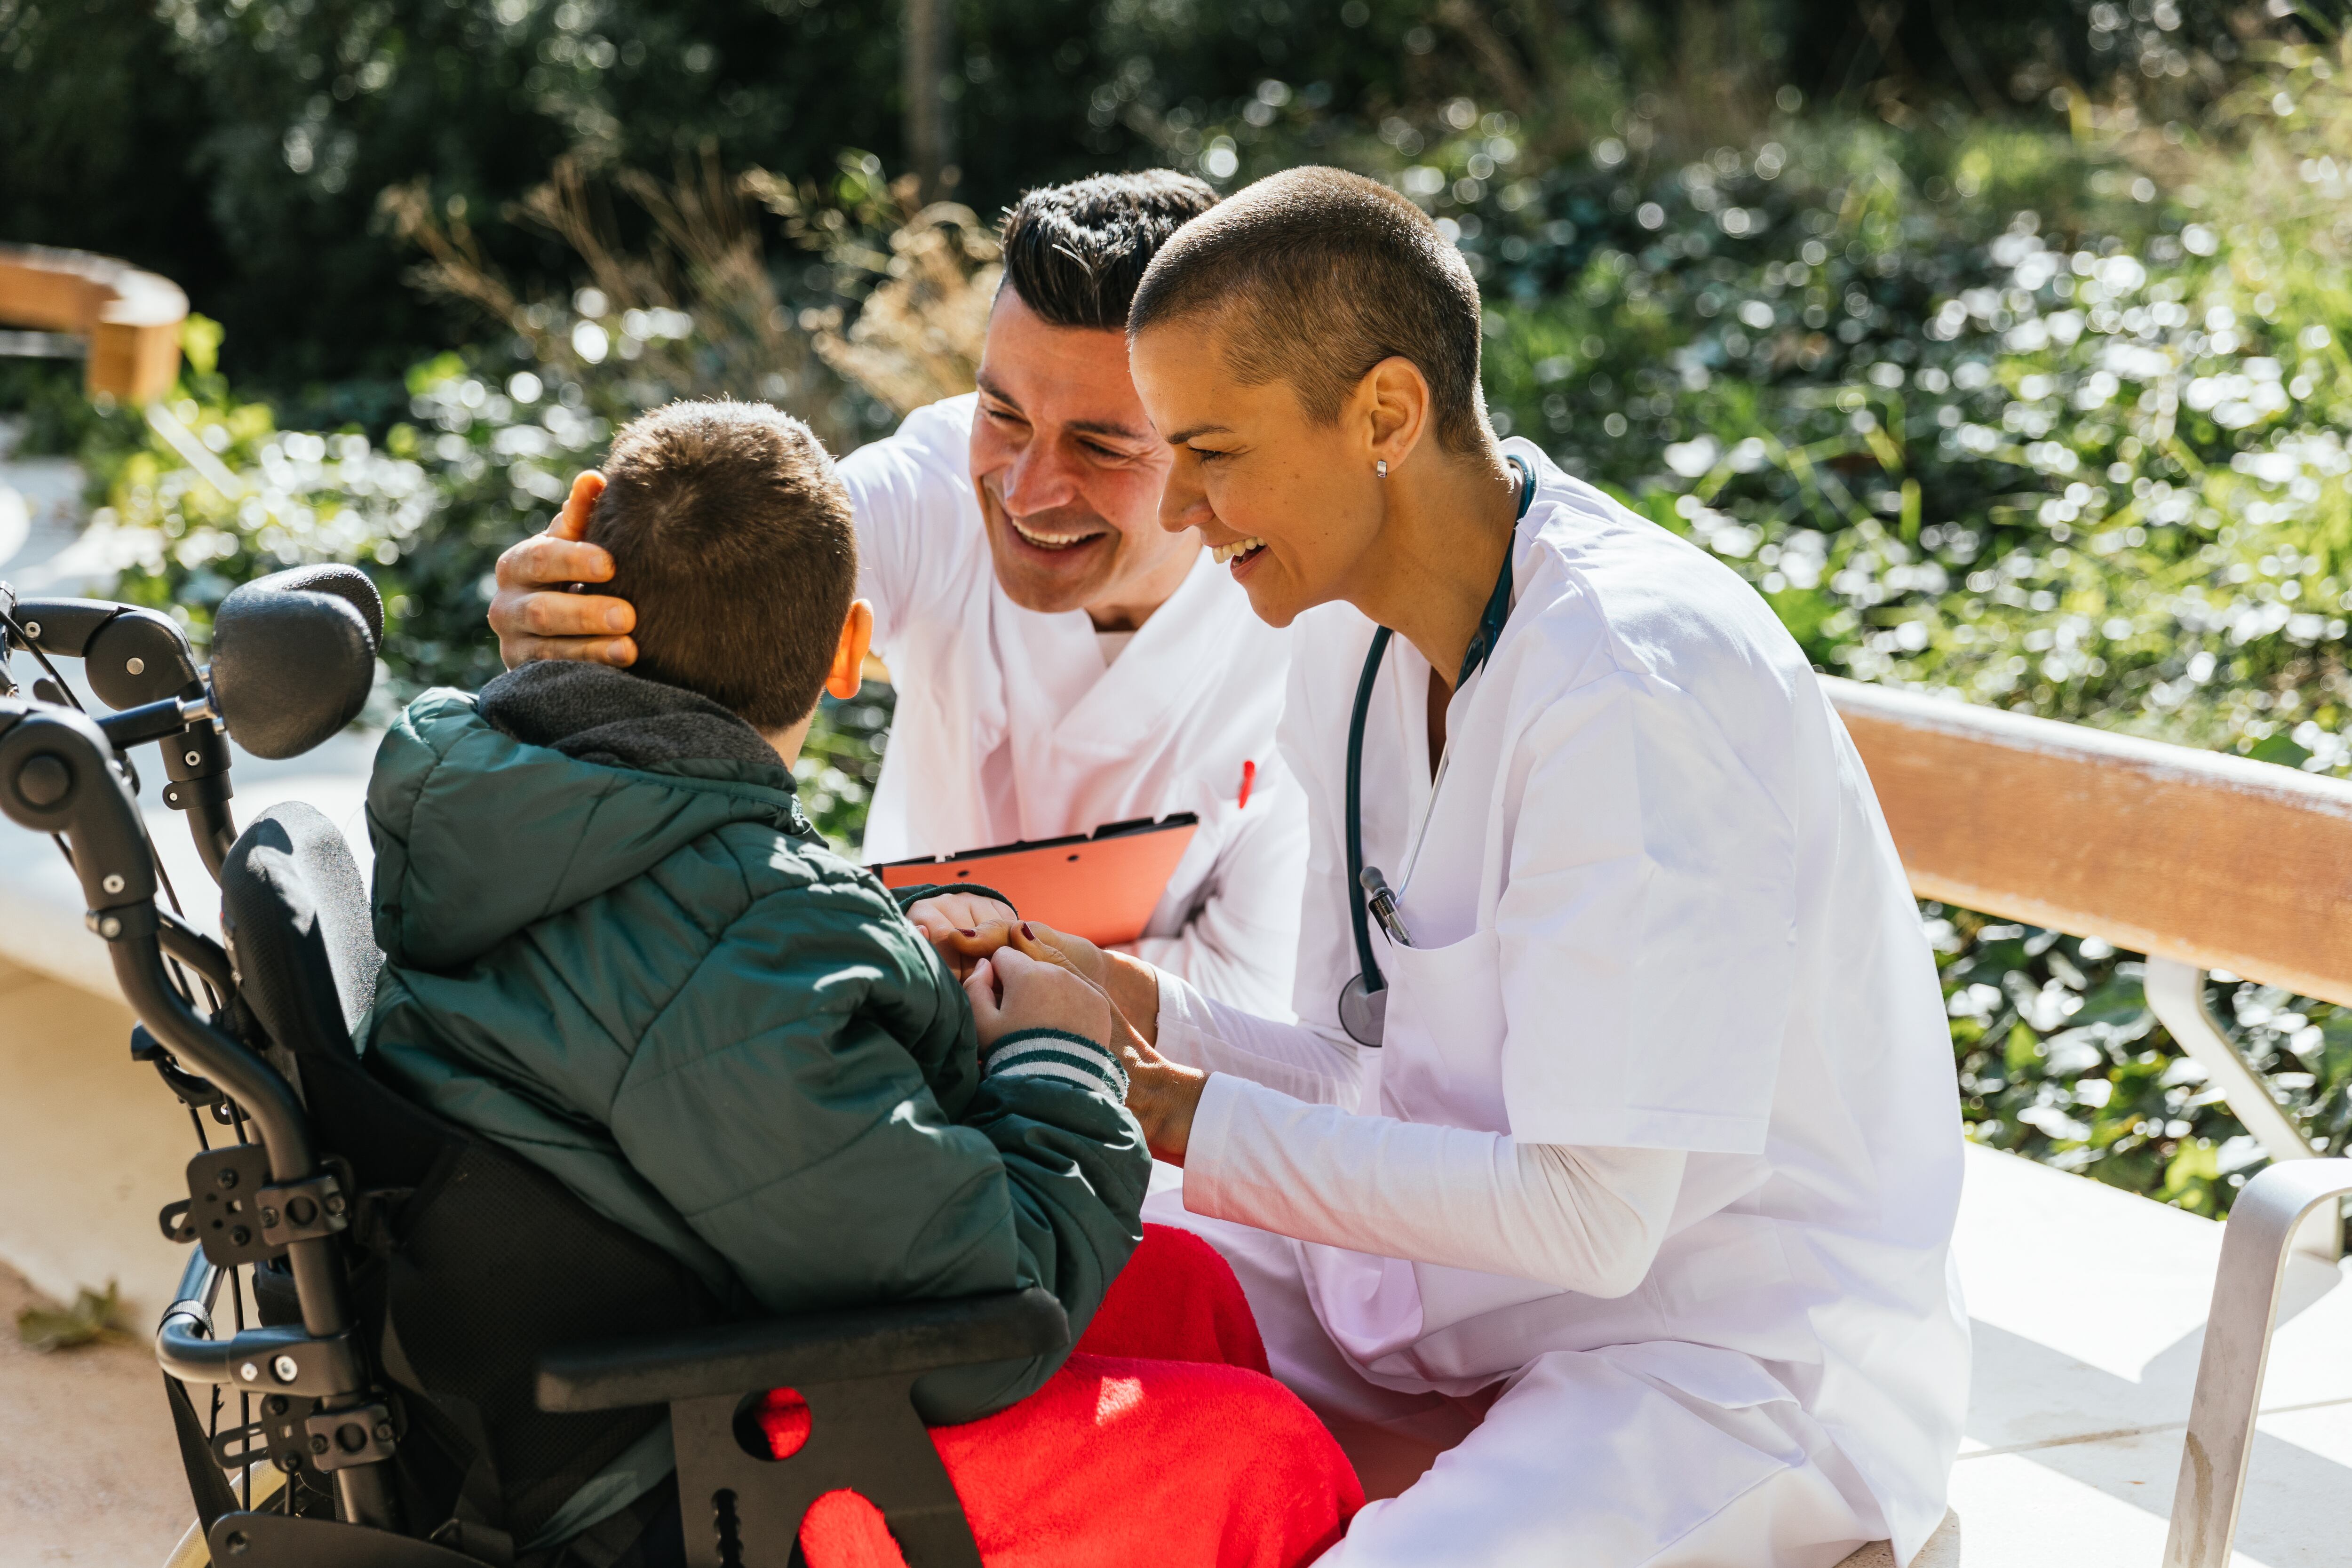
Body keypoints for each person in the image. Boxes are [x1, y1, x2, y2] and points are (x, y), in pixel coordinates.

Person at [985, 167, 1971, 1567]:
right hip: (1455, 1294)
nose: (1183, 508)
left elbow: (1592, 1213)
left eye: (1213, 450)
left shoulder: (1632, 685)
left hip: (1711, 1358)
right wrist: (1145, 1011)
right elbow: (1373, 1061)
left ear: (1385, 413)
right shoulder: (1345, 628)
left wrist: (1179, 1103)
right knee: (1024, 1241)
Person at [364, 398, 1360, 1566]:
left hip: (671, 1328)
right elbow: (991, 1319)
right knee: (1268, 1452)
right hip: (680, 1477)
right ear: (851, 651)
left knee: (1182, 1283)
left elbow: (701, 1040)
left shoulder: (510, 808)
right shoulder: (749, 941)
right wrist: (1057, 1052)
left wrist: (911, 995)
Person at [487, 172, 1306, 1019]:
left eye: (1100, 447)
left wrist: (958, 955)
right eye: (1004, 414)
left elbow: (1254, 997)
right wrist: (583, 621)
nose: (1026, 491)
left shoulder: (1306, 613)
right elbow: (732, 582)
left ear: (1211, 443)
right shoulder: (929, 488)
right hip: (890, 1034)